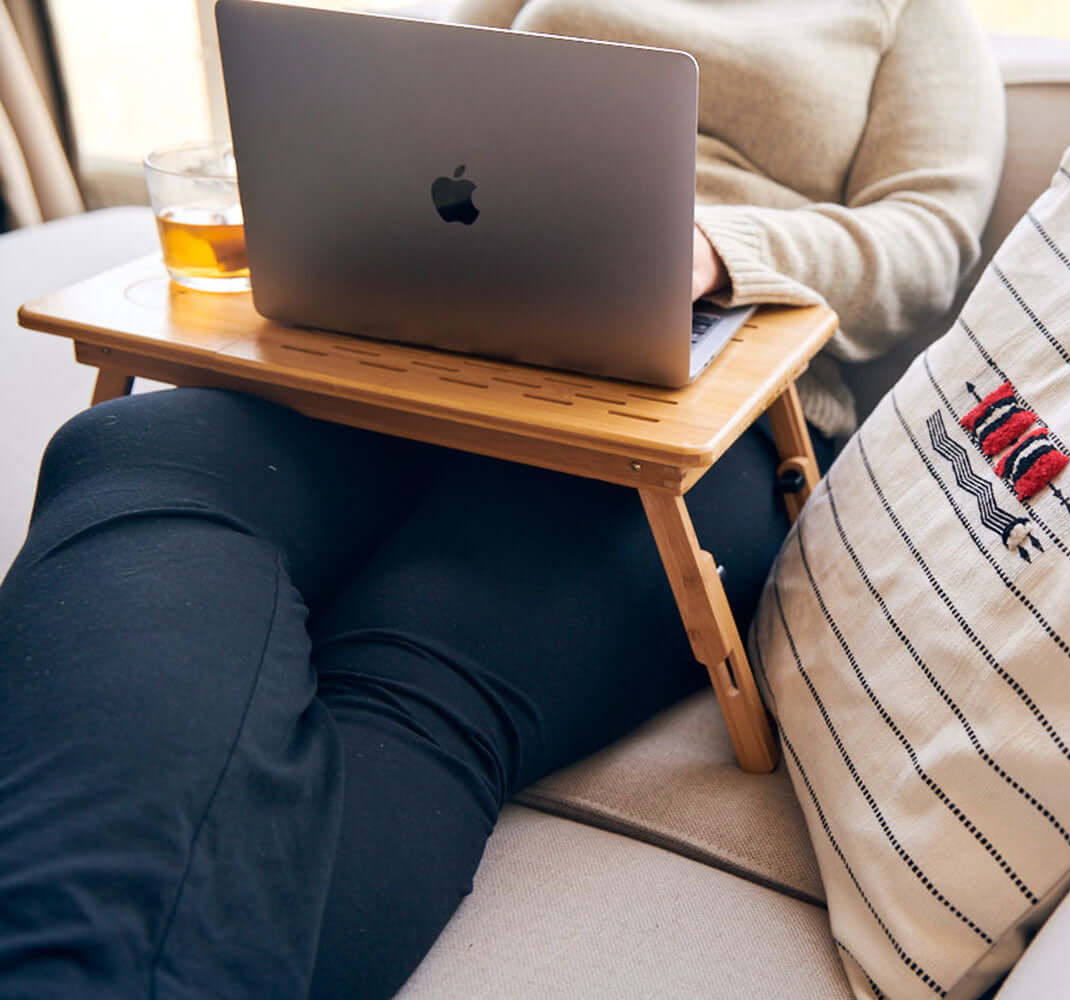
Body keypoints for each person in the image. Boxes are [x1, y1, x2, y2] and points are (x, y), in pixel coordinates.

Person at [0, 0, 1004, 996]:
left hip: (690, 412)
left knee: (419, 648)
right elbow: (427, 97)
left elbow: (925, 244)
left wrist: (709, 250)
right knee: (135, 452)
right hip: (416, 342)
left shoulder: (909, 15)